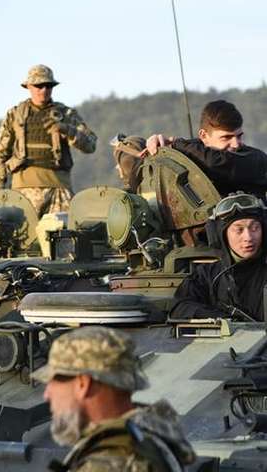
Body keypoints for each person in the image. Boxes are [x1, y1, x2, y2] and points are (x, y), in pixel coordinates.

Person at [35, 326, 195, 472]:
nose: (47, 394)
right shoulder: (147, 438)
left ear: (83, 384)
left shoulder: (107, 463)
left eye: (53, 382)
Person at [0, 64, 97, 217]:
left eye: (48, 86)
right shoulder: (15, 115)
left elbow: (91, 145)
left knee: (63, 231)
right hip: (23, 195)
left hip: (59, 193)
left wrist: (67, 130)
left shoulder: (65, 114)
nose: (44, 90)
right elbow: (0, 153)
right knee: (24, 233)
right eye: (39, 86)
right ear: (28, 87)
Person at [171, 192, 267, 321]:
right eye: (239, 230)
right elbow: (181, 307)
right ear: (222, 235)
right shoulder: (207, 275)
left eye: (254, 228)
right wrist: (223, 321)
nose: (248, 237)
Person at [144, 100, 267, 197]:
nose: (236, 144)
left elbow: (216, 162)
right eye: (226, 137)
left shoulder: (255, 158)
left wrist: (176, 143)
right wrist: (158, 146)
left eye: (239, 136)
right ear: (203, 136)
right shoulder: (195, 151)